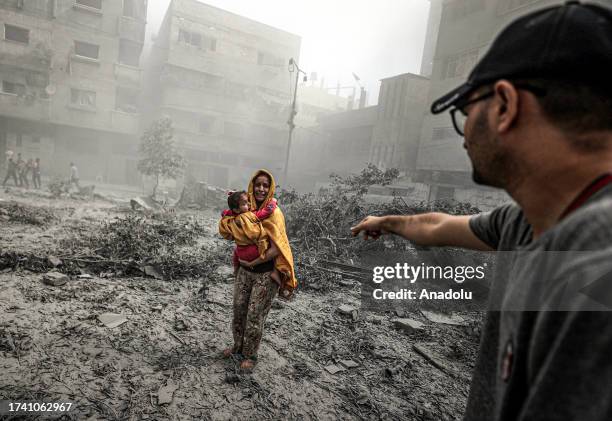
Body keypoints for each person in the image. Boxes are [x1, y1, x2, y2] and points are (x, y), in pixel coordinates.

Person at [352, 2, 612, 420]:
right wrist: (386, 222)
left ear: (505, 105)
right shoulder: (526, 221)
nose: (464, 134)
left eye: (466, 113)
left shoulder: (594, 267)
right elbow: (437, 225)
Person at [218, 169, 297, 371]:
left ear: (270, 188)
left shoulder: (275, 213)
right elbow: (231, 232)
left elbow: (277, 246)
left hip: (265, 272)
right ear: (252, 186)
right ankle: (237, 346)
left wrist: (254, 262)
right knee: (239, 310)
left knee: (255, 315)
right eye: (258, 184)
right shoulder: (245, 208)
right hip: (244, 271)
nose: (261, 188)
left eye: (265, 185)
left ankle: (250, 355)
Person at [219, 190, 283, 287]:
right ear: (236, 209)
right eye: (245, 204)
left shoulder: (231, 216)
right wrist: (273, 201)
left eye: (248, 201)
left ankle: (236, 271)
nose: (249, 205)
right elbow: (267, 211)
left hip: (241, 253)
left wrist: (234, 197)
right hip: (253, 253)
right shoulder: (249, 216)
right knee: (273, 245)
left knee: (235, 253)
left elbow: (224, 212)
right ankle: (275, 272)